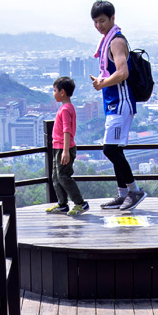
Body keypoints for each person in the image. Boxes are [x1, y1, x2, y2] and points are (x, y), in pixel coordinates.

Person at [89, 0, 147, 211]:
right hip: (113, 102)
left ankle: (134, 190)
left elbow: (122, 73)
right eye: (95, 22)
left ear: (113, 18)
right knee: (114, 149)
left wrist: (102, 83)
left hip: (120, 103)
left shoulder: (116, 42)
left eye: (102, 20)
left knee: (110, 150)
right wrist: (102, 83)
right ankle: (123, 194)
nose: (99, 26)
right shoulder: (108, 41)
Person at [45, 76, 89, 216]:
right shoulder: (67, 107)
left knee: (63, 176)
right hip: (59, 147)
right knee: (56, 177)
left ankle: (80, 203)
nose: (53, 93)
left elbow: (67, 130)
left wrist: (65, 151)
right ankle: (62, 204)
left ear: (62, 92)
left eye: (54, 90)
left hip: (64, 148)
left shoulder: (65, 109)